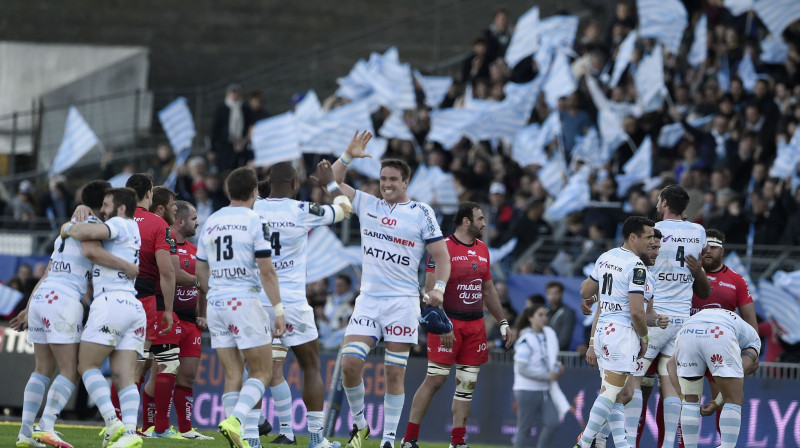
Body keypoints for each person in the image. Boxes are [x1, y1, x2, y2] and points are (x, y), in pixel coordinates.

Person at [330, 131, 451, 448]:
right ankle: (361, 425)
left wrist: (438, 287)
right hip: (368, 301)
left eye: (393, 179)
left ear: (406, 182)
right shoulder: (367, 203)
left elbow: (441, 256)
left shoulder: (422, 212)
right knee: (349, 365)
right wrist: (348, 155)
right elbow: (330, 182)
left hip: (402, 302)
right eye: (383, 178)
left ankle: (388, 439)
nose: (386, 184)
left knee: (394, 374)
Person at [11, 181, 139, 448]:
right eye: (106, 202)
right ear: (102, 202)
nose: (107, 208)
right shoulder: (91, 226)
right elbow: (91, 251)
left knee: (42, 369)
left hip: (43, 296)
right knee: (71, 370)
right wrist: (127, 265)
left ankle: (25, 433)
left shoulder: (66, 231)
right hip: (64, 300)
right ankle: (46, 425)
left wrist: (27, 307)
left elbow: (46, 272)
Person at [245, 160, 354, 448]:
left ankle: (252, 440)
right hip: (292, 302)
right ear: (295, 185)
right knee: (310, 366)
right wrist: (330, 183)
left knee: (256, 370)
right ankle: (316, 439)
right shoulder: (303, 210)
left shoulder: (252, 208)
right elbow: (345, 210)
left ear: (268, 182)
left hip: (256, 301)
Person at [401, 202, 514, 448]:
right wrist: (443, 325)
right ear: (466, 221)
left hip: (475, 326)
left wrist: (503, 321)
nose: (484, 223)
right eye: (480, 219)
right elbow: (430, 291)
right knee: (435, 380)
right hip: (448, 324)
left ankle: (457, 442)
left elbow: (488, 289)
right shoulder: (442, 249)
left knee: (467, 385)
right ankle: (409, 439)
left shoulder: (483, 249)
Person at [195, 167, 286, 448]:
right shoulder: (256, 220)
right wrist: (279, 310)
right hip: (244, 301)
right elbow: (267, 270)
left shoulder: (211, 221)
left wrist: (215, 292)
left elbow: (200, 268)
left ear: (228, 191)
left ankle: (243, 440)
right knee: (262, 372)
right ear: (254, 192)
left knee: (233, 374)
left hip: (217, 303)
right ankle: (236, 420)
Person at [68, 187, 146, 448]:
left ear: (121, 207)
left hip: (110, 301)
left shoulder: (118, 223)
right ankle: (130, 433)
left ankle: (112, 421)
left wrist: (72, 226)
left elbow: (86, 234)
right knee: (124, 375)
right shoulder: (133, 227)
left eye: (106, 204)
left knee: (86, 366)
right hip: (132, 307)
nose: (102, 209)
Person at [582, 228, 669, 448]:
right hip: (621, 337)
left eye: (658, 247)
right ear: (638, 243)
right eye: (651, 246)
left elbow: (645, 313)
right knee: (613, 391)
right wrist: (592, 343)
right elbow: (607, 307)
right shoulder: (633, 268)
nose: (655, 251)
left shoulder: (647, 276)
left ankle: (606, 442)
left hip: (620, 336)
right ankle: (587, 441)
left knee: (625, 393)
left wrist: (657, 320)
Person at [644, 185, 711, 448]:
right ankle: (669, 444)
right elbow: (700, 260)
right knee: (670, 384)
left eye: (659, 199)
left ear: (664, 204)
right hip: (682, 318)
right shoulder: (698, 231)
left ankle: (612, 439)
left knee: (632, 378)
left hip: (655, 316)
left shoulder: (652, 231)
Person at [682, 228, 757, 446]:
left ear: (722, 250)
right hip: (689, 346)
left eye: (713, 247)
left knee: (725, 403)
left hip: (720, 349)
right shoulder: (685, 275)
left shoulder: (736, 280)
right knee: (683, 403)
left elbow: (750, 320)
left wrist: (753, 351)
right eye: (704, 247)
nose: (707, 251)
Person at [146, 200, 213, 439]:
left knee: (187, 375)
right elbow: (176, 276)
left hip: (190, 320)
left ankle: (185, 429)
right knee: (163, 370)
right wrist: (200, 281)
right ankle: (155, 427)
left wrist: (203, 314)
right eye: (194, 218)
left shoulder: (196, 250)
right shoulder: (165, 243)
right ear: (181, 220)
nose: (198, 222)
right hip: (168, 313)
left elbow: (203, 287)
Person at [117, 175, 176, 430]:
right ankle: (129, 426)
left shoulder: (116, 220)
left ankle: (115, 421)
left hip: (114, 296)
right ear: (149, 194)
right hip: (144, 298)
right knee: (140, 364)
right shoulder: (157, 223)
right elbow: (167, 272)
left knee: (115, 363)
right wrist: (170, 310)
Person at [674, 309, 761, 448]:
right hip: (718, 332)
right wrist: (716, 403)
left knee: (690, 402)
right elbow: (737, 377)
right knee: (734, 399)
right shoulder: (754, 343)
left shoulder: (740, 327)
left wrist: (681, 396)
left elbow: (669, 365)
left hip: (687, 331)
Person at [512, 304, 564, 448]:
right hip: (526, 390)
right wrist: (547, 375)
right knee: (524, 429)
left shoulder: (547, 336)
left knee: (553, 422)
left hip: (544, 390)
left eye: (545, 315)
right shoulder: (526, 338)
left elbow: (548, 359)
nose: (544, 318)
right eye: (540, 315)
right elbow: (522, 369)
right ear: (530, 318)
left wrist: (557, 366)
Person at [545, 281, 575, 351]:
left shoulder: (567, 312)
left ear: (561, 294)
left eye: (555, 293)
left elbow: (564, 338)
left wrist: (551, 350)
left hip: (559, 353)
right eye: (550, 293)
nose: (552, 296)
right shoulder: (545, 311)